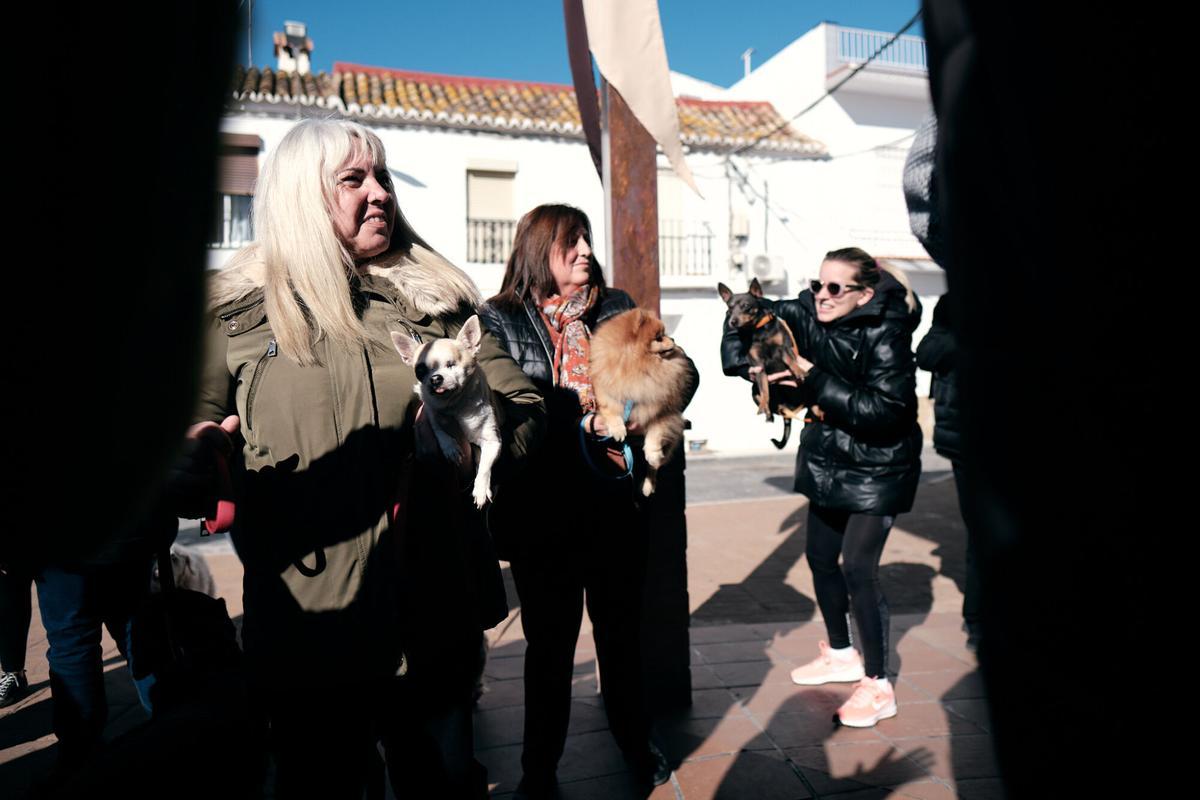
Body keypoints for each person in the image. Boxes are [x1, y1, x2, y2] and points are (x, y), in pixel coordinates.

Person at [188, 119, 544, 798]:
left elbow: (525, 410)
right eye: (354, 179)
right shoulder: (234, 313)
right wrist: (192, 459)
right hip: (304, 624)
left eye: (380, 175)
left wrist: (470, 433)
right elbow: (189, 431)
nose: (379, 192)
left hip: (433, 611)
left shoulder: (437, 300)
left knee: (440, 785)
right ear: (299, 197)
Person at [479, 204, 692, 798]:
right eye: (569, 245)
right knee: (548, 648)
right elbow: (495, 403)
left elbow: (684, 370)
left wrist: (629, 412)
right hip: (540, 513)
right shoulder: (498, 320)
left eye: (587, 243)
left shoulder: (618, 307)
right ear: (536, 251)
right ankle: (538, 770)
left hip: (613, 508)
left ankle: (634, 741)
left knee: (620, 639)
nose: (584, 255)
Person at [722, 247, 922, 728]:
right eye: (817, 285)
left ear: (865, 294)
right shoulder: (804, 311)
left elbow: (886, 411)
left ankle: (878, 684)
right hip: (828, 458)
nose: (821, 296)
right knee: (818, 558)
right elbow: (740, 319)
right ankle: (840, 651)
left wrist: (813, 378)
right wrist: (748, 365)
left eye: (835, 288)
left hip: (879, 465)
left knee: (858, 568)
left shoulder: (887, 334)